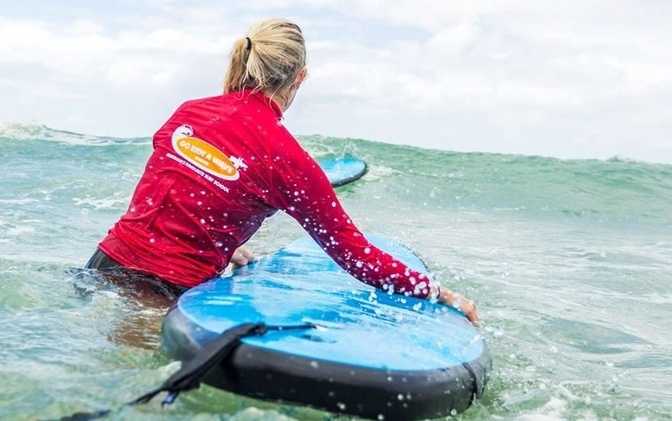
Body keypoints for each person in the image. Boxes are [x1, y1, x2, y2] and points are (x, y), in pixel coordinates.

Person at [86, 18, 480, 324]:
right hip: (161, 292)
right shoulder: (287, 158)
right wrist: (437, 292)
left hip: (100, 267)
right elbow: (356, 255)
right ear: (300, 77)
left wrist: (223, 244)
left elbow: (173, 192)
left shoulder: (190, 111)